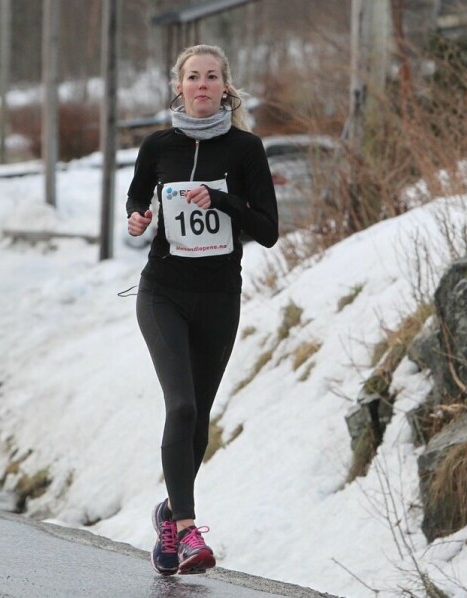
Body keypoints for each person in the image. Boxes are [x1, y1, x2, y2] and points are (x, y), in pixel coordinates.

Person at [126, 45, 278, 576]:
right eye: (193, 77)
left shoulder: (246, 149)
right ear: (180, 86)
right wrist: (138, 220)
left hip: (218, 298)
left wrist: (223, 202)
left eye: (212, 77)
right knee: (182, 407)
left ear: (225, 87)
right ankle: (188, 531)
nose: (202, 85)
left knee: (199, 424)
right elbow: (137, 200)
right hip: (162, 292)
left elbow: (269, 230)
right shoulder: (157, 145)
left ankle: (167, 513)